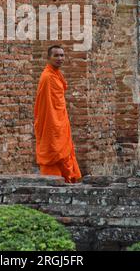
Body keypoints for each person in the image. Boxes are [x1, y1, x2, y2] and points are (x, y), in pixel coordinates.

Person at [34, 45, 82, 183]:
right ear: (48, 58)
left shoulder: (56, 75)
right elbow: (47, 106)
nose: (60, 58)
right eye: (56, 55)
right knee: (54, 149)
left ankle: (66, 180)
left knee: (64, 150)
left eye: (62, 55)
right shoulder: (47, 77)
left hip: (60, 121)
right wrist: (55, 125)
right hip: (51, 123)